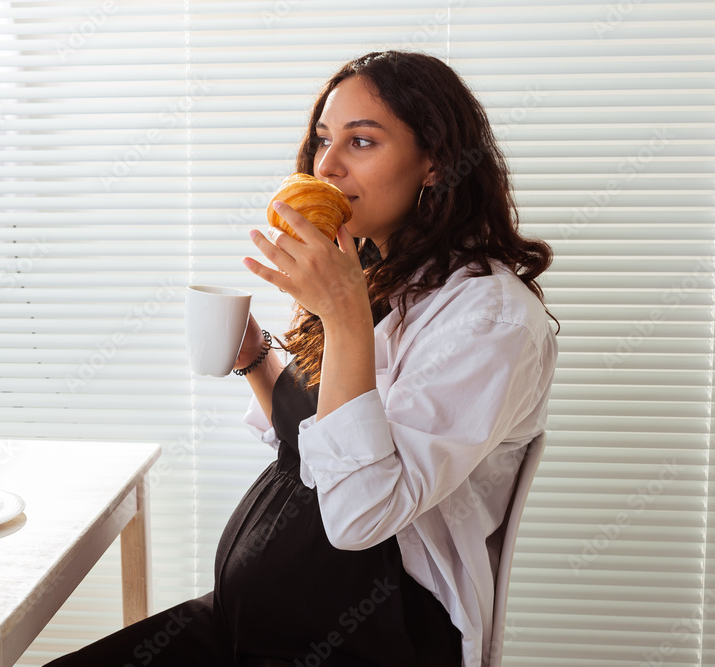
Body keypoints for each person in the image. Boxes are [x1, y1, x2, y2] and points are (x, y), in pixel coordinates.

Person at [47, 50, 557, 667]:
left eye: (361, 142)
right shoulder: (377, 273)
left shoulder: (488, 318)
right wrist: (256, 357)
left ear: (435, 163)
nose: (328, 164)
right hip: (246, 624)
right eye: (322, 140)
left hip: (368, 642)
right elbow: (314, 442)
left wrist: (341, 314)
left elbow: (361, 513)